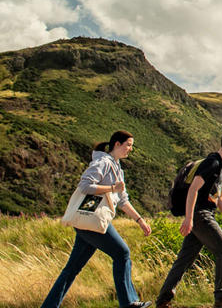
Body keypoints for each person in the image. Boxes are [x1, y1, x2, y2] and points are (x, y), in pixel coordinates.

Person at [41, 130, 154, 308]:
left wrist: (140, 220)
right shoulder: (103, 162)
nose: (130, 149)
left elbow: (123, 201)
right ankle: (129, 303)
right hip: (92, 221)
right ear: (117, 144)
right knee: (122, 253)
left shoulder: (117, 168)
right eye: (128, 145)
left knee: (72, 269)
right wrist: (111, 187)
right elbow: (85, 185)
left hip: (88, 221)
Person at [156, 126, 222, 308]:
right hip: (200, 214)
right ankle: (221, 297)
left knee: (185, 259)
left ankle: (163, 301)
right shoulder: (212, 163)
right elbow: (193, 189)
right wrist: (189, 219)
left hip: (203, 213)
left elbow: (218, 196)